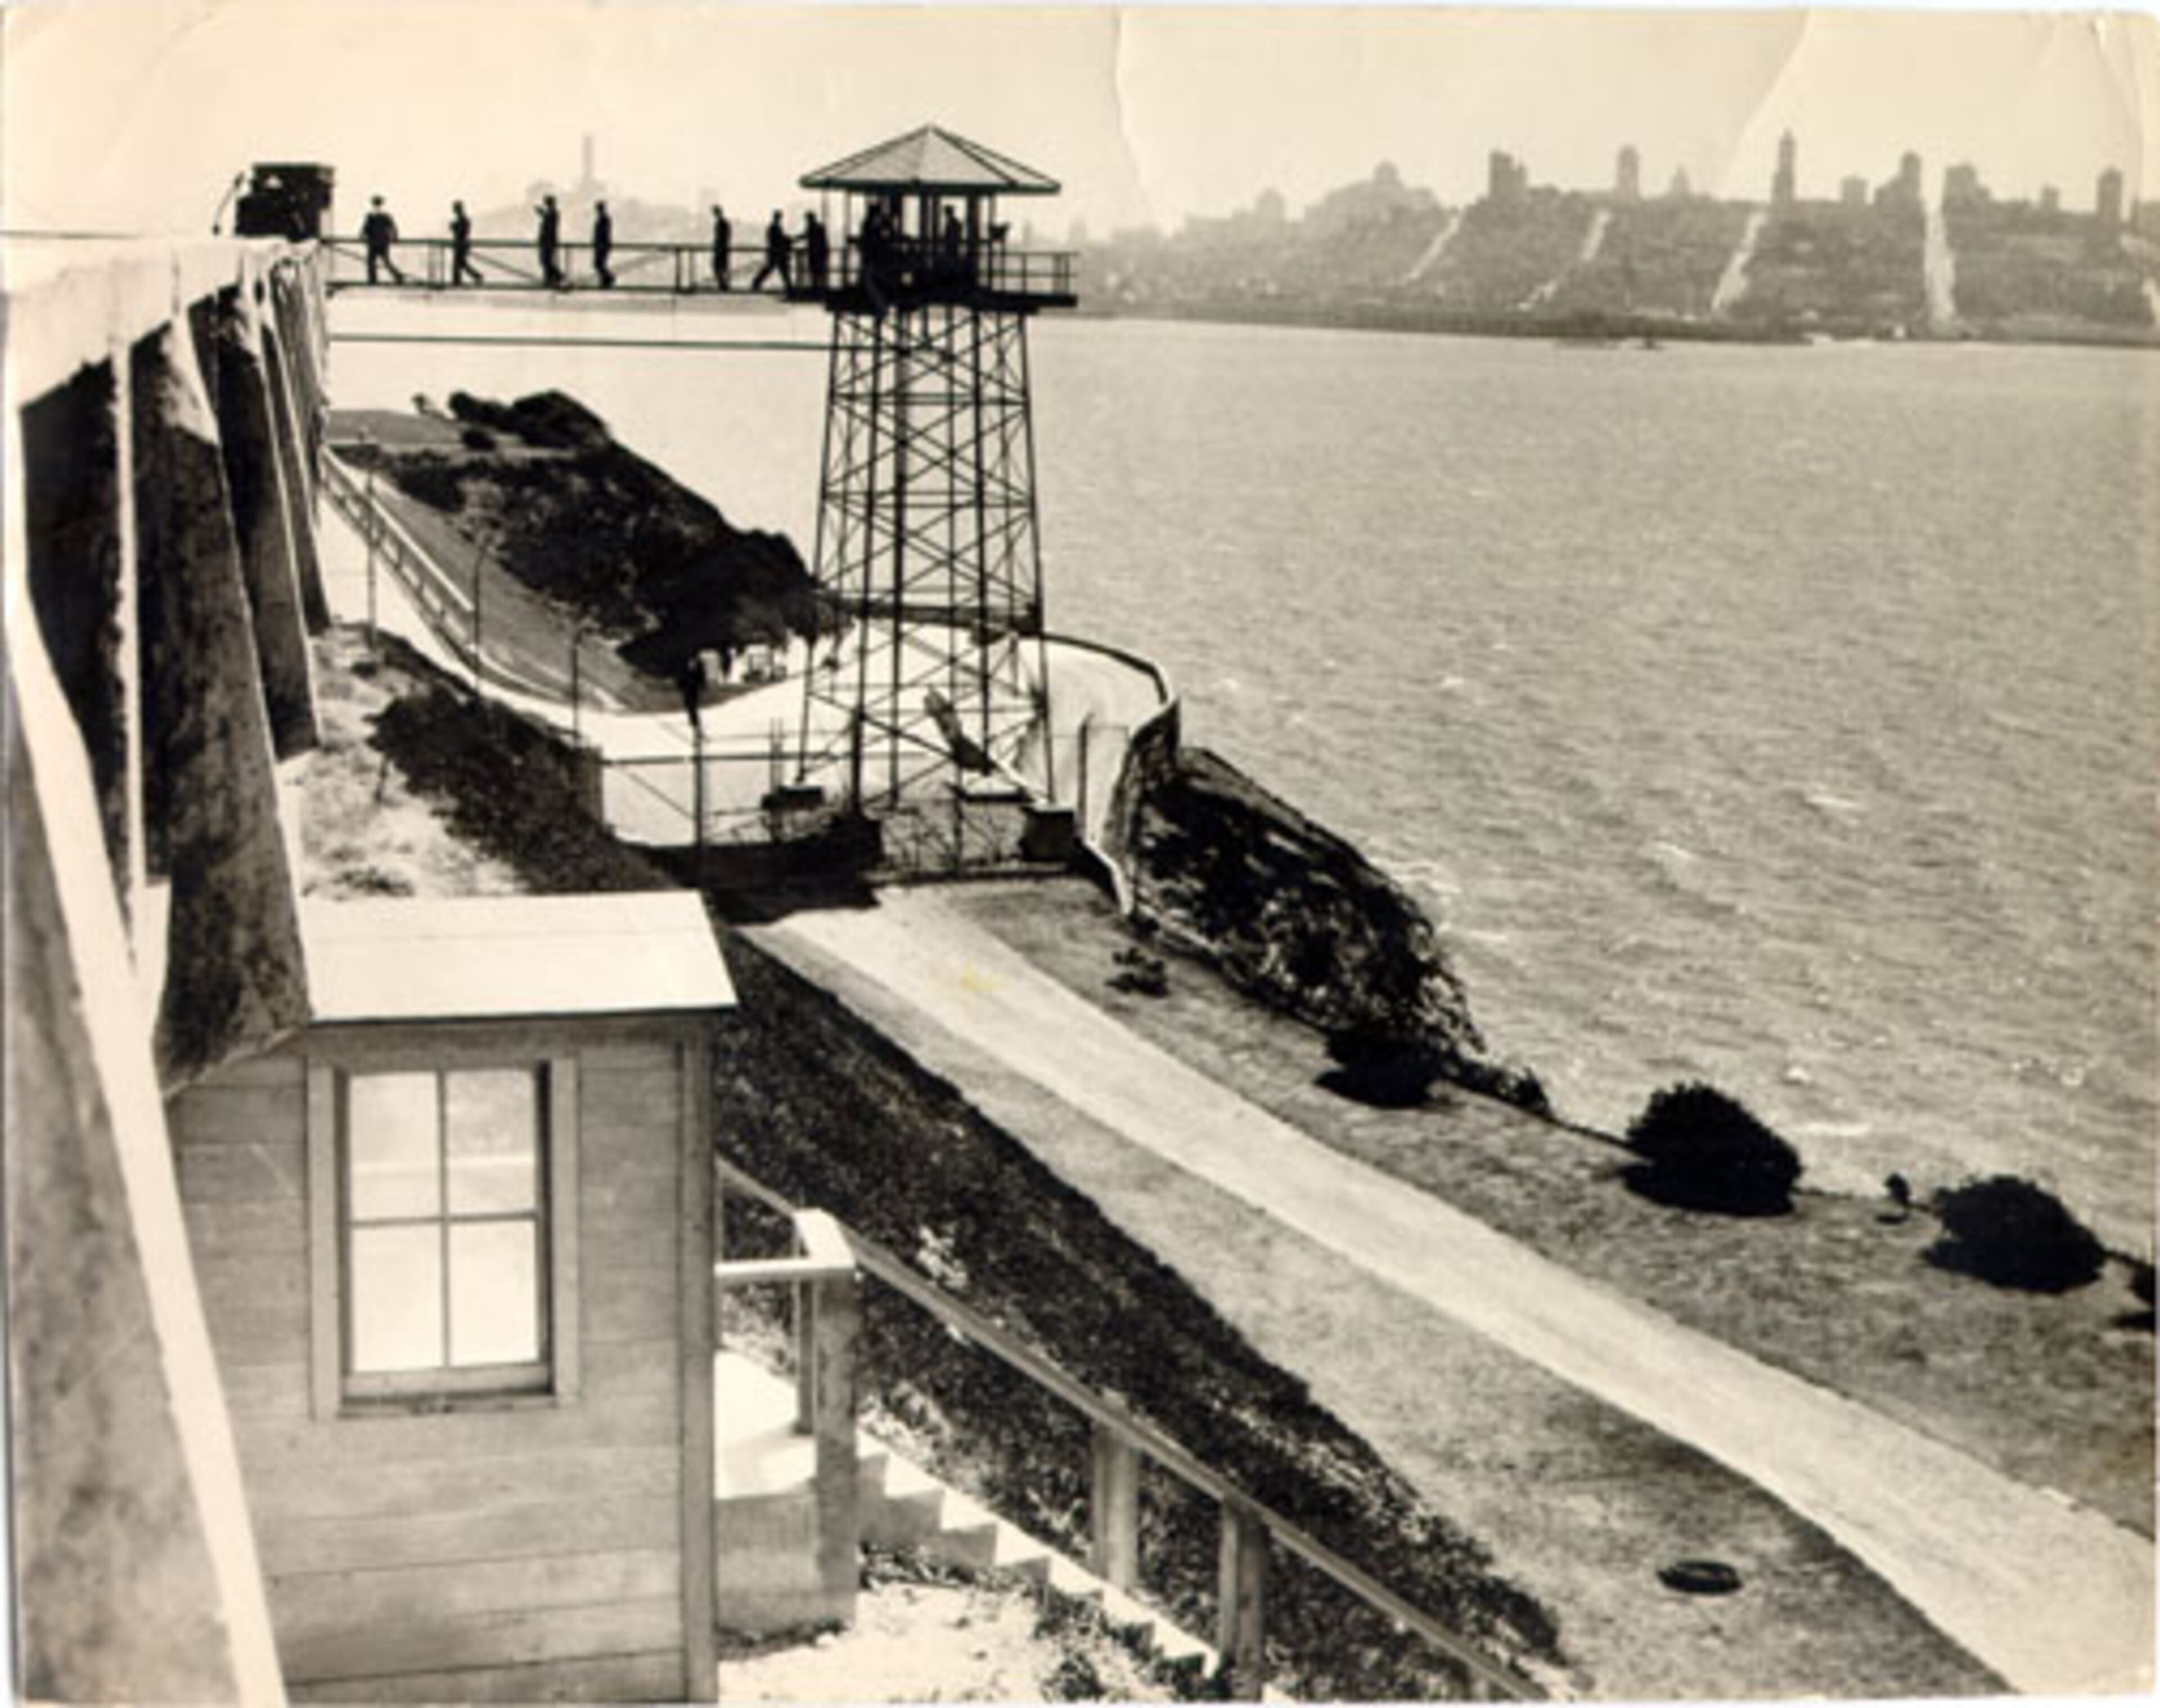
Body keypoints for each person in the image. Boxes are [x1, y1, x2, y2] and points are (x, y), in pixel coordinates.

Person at [362, 196, 405, 285]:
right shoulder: (385, 216)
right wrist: (395, 237)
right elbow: (393, 227)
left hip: (374, 242)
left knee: (371, 262)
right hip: (382, 241)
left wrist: (362, 236)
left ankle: (373, 280)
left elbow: (366, 229)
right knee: (385, 262)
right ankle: (398, 276)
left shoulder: (371, 216)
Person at [750, 210, 791, 293]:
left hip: (775, 252)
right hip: (778, 252)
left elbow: (774, 240)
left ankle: (756, 283)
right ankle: (789, 287)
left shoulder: (773, 228)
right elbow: (779, 239)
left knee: (772, 269)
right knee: (783, 270)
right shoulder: (776, 228)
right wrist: (787, 241)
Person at [449, 200, 482, 286]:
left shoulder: (463, 220)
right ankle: (458, 280)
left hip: (461, 244)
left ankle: (459, 280)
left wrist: (454, 227)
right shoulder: (463, 219)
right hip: (461, 244)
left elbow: (461, 232)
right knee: (461, 263)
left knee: (459, 263)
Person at [536, 194, 564, 289]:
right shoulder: (551, 213)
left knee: (546, 261)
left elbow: (549, 224)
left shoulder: (553, 213)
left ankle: (557, 276)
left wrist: (542, 214)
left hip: (548, 241)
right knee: (545, 261)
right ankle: (550, 278)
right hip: (547, 241)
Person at [676, 653, 708, 735]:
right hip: (687, 688)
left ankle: (696, 727)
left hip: (694, 688)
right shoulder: (682, 663)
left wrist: (702, 685)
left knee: (692, 707)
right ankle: (696, 726)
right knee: (690, 707)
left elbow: (702, 675)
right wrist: (680, 685)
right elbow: (680, 675)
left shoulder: (698, 662)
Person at [802, 212, 830, 291]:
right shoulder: (819, 227)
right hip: (820, 252)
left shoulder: (812, 227)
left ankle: (816, 287)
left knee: (814, 271)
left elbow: (805, 236)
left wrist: (792, 240)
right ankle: (821, 287)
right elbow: (824, 240)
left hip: (815, 253)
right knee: (820, 271)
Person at [591, 200, 615, 288]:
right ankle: (606, 279)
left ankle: (609, 278)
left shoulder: (604, 219)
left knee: (598, 263)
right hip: (600, 244)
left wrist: (602, 243)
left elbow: (605, 232)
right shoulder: (603, 218)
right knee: (599, 264)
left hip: (602, 245)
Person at [710, 204, 732, 290]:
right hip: (723, 248)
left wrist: (718, 246)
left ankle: (723, 284)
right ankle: (724, 284)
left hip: (720, 249)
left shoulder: (721, 224)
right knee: (723, 267)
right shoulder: (724, 223)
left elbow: (720, 237)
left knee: (718, 267)